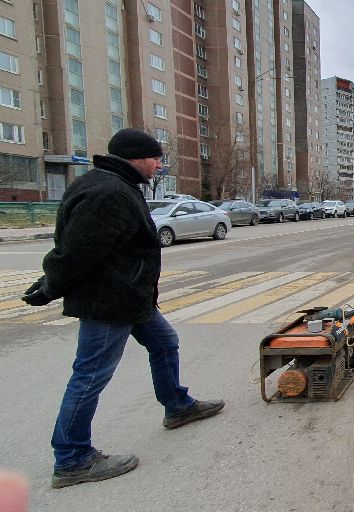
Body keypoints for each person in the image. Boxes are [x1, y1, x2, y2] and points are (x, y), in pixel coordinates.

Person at [23, 128, 225, 489]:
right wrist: (51, 285)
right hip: (109, 300)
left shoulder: (114, 184)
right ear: (135, 157)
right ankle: (72, 458)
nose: (160, 165)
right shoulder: (108, 193)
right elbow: (78, 252)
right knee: (90, 374)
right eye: (156, 158)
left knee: (165, 343)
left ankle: (178, 406)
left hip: (130, 297)